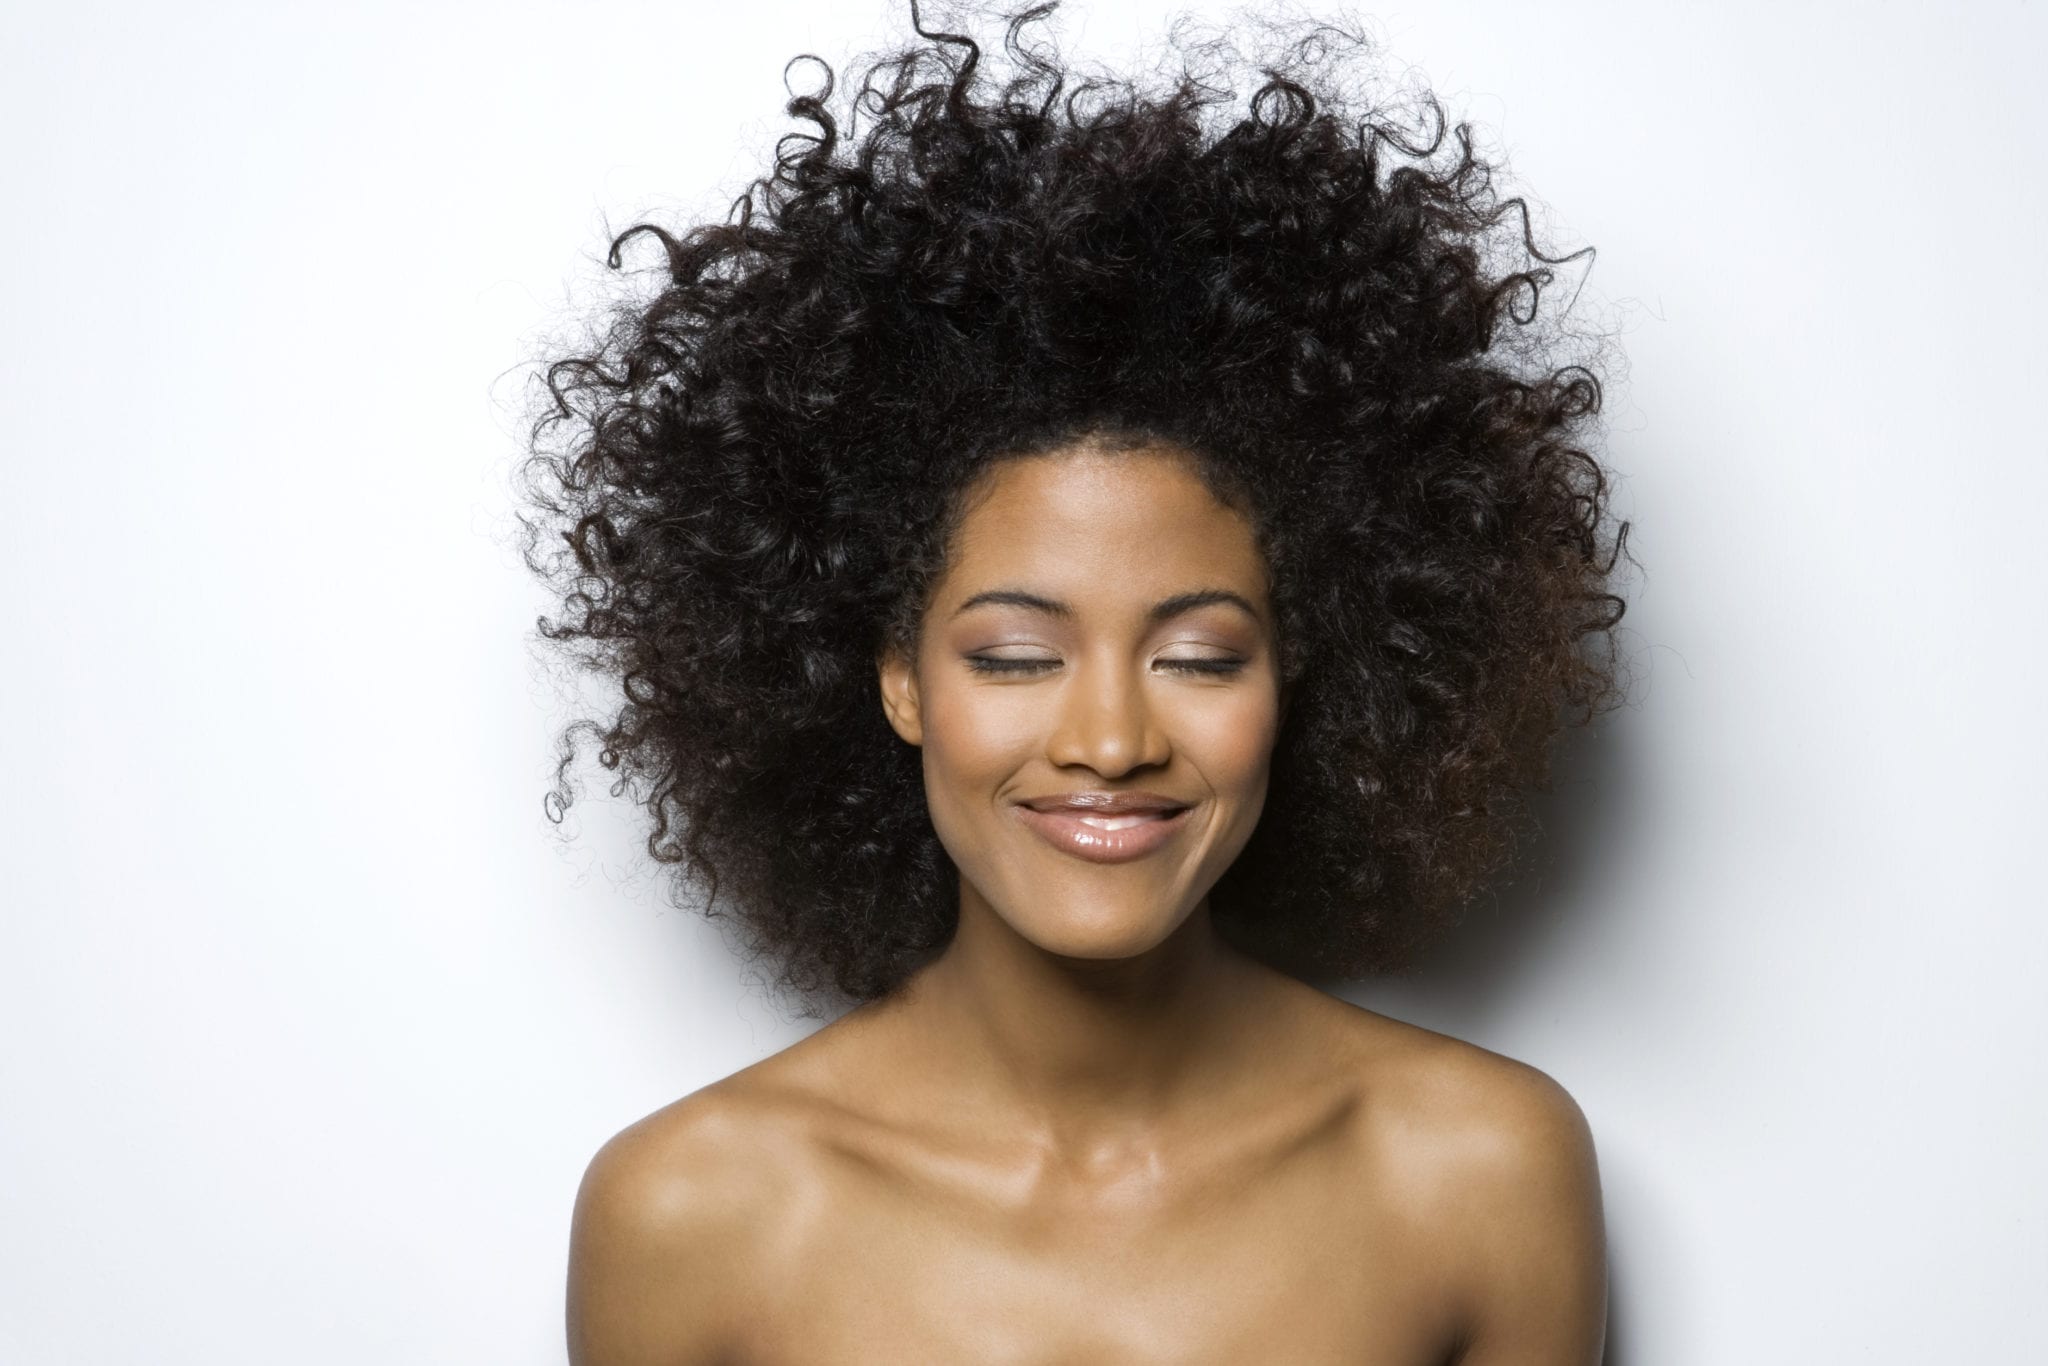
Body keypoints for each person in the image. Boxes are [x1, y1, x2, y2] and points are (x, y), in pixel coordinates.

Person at [520, 2, 1631, 1360]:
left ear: (1301, 671)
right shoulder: (694, 1212)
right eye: (1016, 655)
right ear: (898, 676)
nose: (1110, 736)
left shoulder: (1473, 1172)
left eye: (1200, 655)